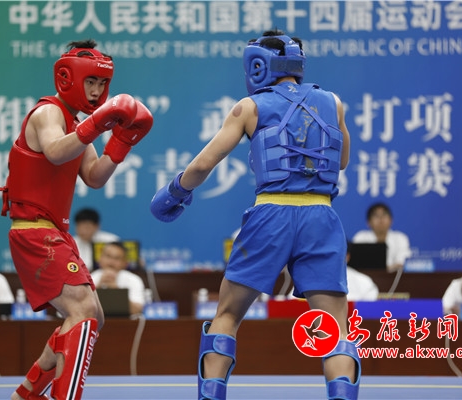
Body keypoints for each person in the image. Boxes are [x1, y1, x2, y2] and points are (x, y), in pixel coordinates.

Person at [151, 30, 360, 400]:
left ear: (258, 64)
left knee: (227, 316)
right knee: (334, 329)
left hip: (271, 215)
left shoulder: (249, 107)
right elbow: (341, 160)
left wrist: (174, 192)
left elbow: (203, 164)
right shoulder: (334, 102)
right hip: (321, 216)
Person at [0, 39, 153, 400]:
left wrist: (122, 142)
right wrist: (97, 124)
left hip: (53, 233)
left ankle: (25, 394)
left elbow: (95, 177)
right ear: (68, 78)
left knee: (93, 315)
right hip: (35, 231)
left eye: (102, 83)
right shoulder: (48, 113)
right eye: (90, 82)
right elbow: (54, 151)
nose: (97, 91)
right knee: (82, 310)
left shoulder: (76, 124)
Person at [352, 202, 411, 273]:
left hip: (394, 278)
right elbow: (357, 265)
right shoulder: (361, 237)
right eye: (376, 216)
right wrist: (389, 268)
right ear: (368, 222)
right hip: (365, 278)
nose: (381, 219)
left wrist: (382, 270)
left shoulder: (400, 238)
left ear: (391, 220)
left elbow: (401, 263)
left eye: (384, 215)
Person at [90, 242, 146, 315]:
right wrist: (98, 288)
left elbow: (137, 310)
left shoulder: (134, 280)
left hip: (124, 321)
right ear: (100, 258)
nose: (111, 262)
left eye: (117, 258)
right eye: (108, 256)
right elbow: (82, 308)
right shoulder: (90, 278)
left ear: (125, 263)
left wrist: (115, 291)